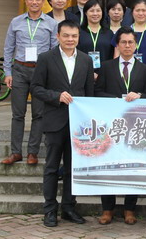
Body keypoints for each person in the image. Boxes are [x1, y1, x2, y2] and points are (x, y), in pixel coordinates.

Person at [30, 20, 95, 227]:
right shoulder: (46, 58)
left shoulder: (85, 60)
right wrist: (56, 96)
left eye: (74, 36)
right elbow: (36, 88)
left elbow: (89, 93)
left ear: (78, 38)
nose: (70, 39)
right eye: (66, 35)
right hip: (54, 121)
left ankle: (68, 207)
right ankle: (50, 209)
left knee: (72, 168)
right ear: (58, 36)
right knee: (51, 167)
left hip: (77, 125)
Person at [94, 27, 146, 226]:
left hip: (135, 127)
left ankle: (129, 209)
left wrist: (140, 96)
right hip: (111, 126)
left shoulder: (145, 70)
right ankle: (107, 209)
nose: (127, 46)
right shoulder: (106, 67)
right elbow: (97, 92)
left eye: (130, 42)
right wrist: (115, 100)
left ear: (135, 45)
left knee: (133, 167)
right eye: (123, 42)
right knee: (108, 165)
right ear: (117, 45)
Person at [2, 0, 58, 165]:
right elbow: (8, 48)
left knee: (38, 114)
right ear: (26, 1)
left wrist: (51, 74)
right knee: (18, 114)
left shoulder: (51, 23)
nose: (34, 2)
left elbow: (54, 50)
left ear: (43, 1)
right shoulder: (16, 22)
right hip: (19, 69)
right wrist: (7, 72)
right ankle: (15, 152)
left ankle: (32, 152)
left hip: (40, 72)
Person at [113, 0, 146, 68]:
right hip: (125, 71)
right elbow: (116, 55)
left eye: (143, 10)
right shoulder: (122, 31)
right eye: (137, 10)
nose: (140, 13)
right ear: (132, 12)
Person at [77, 0, 113, 73]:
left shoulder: (109, 33)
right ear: (86, 12)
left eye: (98, 10)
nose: (95, 13)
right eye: (92, 11)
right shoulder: (78, 32)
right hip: (82, 73)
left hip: (105, 73)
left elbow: (111, 56)